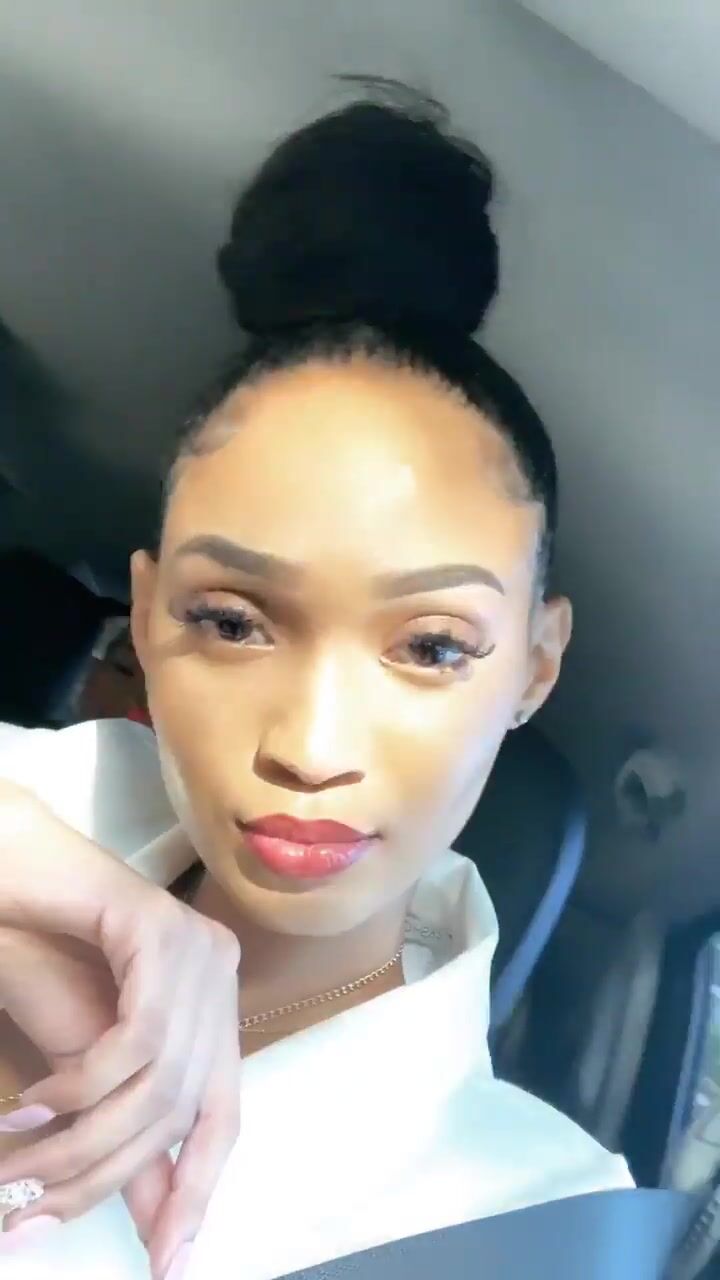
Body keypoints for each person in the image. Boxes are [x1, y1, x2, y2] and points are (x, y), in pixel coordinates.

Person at [0, 87, 633, 1280]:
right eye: (232, 621)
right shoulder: (31, 798)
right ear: (148, 617)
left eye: (431, 646)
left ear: (534, 667)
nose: (310, 741)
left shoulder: (543, 1215)